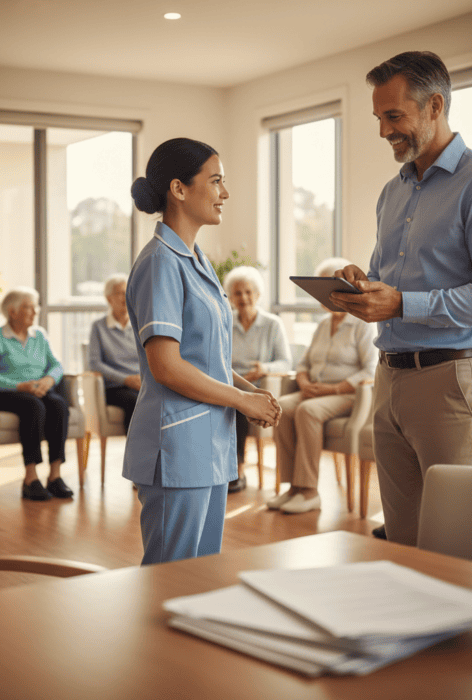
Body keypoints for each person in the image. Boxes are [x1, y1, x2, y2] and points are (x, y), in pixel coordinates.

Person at [330, 51, 472, 545]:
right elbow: (387, 277)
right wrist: (363, 283)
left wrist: (401, 304)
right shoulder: (392, 192)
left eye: (393, 116)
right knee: (403, 537)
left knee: (457, 539)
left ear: (435, 105)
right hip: (389, 377)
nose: (382, 131)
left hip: (451, 381)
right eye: (379, 118)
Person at [125, 137, 282, 565]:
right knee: (168, 577)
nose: (224, 193)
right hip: (176, 446)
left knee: (200, 574)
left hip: (209, 444)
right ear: (179, 189)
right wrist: (241, 399)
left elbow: (206, 358)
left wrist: (252, 392)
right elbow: (167, 367)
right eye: (215, 182)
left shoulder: (198, 261)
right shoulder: (160, 262)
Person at [267, 258, 377, 514]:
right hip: (314, 390)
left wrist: (332, 389)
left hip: (348, 395)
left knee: (308, 411)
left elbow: (370, 370)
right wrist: (304, 383)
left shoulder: (361, 325)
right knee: (281, 406)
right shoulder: (323, 325)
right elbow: (303, 363)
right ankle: (292, 488)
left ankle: (309, 491)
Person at [0, 287, 73, 501]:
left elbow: (56, 365)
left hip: (38, 388)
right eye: (29, 307)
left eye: (35, 306)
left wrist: (49, 380)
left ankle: (55, 476)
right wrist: (18, 386)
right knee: (33, 406)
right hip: (8, 393)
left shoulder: (40, 336)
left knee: (58, 405)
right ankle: (30, 478)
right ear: (12, 312)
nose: (35, 311)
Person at [222, 265, 292, 493]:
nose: (243, 297)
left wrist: (264, 368)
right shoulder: (224, 322)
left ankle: (236, 471)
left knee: (240, 403)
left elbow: (285, 362)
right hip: (227, 383)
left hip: (257, 387)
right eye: (237, 293)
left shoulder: (272, 324)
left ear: (258, 294)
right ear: (231, 297)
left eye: (248, 292)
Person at [88, 273, 140, 433]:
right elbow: (95, 364)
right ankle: (136, 454)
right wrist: (126, 379)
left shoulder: (139, 324)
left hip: (142, 382)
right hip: (115, 387)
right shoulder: (99, 327)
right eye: (120, 293)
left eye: (128, 292)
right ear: (109, 298)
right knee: (134, 401)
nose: (125, 297)